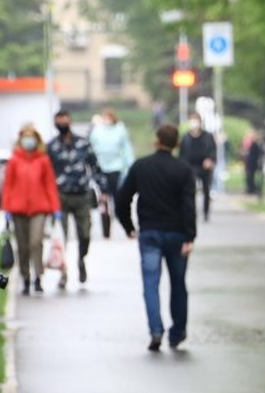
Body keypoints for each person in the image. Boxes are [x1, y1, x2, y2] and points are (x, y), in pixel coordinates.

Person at [117, 123, 198, 352]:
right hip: (177, 235)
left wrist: (129, 226)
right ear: (177, 144)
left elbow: (123, 198)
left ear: (156, 141)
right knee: (178, 284)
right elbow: (189, 205)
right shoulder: (184, 170)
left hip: (150, 233)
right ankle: (178, 331)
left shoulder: (141, 167)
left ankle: (155, 329)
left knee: (151, 284)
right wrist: (190, 236)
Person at [2, 123, 60, 296]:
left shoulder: (43, 160)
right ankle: (25, 276)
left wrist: (55, 207)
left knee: (36, 242)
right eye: (25, 137)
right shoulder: (14, 160)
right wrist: (6, 208)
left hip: (39, 208)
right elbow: (8, 186)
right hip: (18, 208)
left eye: (31, 137)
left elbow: (50, 185)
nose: (28, 140)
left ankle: (38, 276)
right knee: (22, 245)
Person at [47, 110, 102, 288]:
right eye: (58, 120)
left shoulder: (82, 143)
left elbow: (94, 166)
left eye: (64, 119)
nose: (62, 123)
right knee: (61, 237)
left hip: (81, 195)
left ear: (70, 121)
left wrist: (104, 189)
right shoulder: (52, 146)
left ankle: (81, 259)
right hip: (60, 196)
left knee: (85, 235)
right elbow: (46, 173)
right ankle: (63, 272)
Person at [89, 108, 135, 239]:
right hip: (100, 169)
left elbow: (126, 149)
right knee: (103, 200)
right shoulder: (97, 131)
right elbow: (91, 149)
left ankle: (127, 227)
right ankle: (106, 231)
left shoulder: (120, 130)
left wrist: (129, 167)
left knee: (119, 199)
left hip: (116, 168)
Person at [179, 111, 217, 222]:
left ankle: (205, 212)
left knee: (206, 190)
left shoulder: (208, 136)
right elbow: (182, 153)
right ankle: (191, 212)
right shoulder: (185, 137)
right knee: (190, 190)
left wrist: (210, 160)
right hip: (190, 167)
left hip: (204, 167)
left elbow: (213, 151)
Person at [241, 130, 265, 195]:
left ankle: (252, 189)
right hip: (251, 163)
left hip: (252, 163)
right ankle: (251, 189)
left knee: (251, 177)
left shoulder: (255, 144)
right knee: (250, 177)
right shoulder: (254, 144)